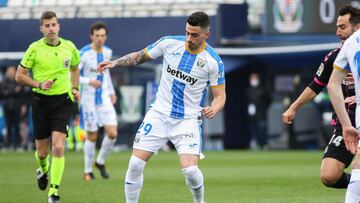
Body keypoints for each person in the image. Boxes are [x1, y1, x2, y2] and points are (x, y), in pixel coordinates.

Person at [97, 11, 226, 203]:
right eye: (187, 32)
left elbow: (220, 96)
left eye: (194, 35)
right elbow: (140, 56)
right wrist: (115, 62)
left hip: (187, 120)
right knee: (134, 165)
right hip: (159, 114)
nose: (189, 38)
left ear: (206, 34)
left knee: (190, 171)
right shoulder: (169, 43)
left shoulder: (213, 62)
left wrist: (215, 108)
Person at [282, 4, 359, 189]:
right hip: (345, 123)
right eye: (337, 26)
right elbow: (316, 85)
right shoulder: (335, 57)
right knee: (329, 176)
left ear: (357, 28)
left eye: (342, 27)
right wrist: (293, 107)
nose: (337, 32)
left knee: (358, 168)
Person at [15, 11, 80, 203]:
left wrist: (75, 88)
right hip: (41, 102)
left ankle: (54, 192)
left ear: (58, 26)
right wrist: (38, 84)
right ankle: (43, 170)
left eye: (54, 25)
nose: (51, 28)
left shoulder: (70, 47)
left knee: (58, 147)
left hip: (63, 102)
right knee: (42, 152)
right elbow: (19, 75)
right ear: (41, 28)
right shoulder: (34, 49)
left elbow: (75, 68)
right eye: (47, 25)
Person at [328, 6, 360, 201]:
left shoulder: (349, 45)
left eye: (342, 26)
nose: (338, 31)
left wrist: (347, 126)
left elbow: (333, 85)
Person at [79, 21, 118, 180]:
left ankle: (100, 161)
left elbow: (106, 74)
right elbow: (71, 74)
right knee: (93, 135)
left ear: (106, 37)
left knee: (112, 133)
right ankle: (87, 171)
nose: (100, 39)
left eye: (102, 36)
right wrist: (89, 81)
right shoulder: (83, 53)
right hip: (88, 100)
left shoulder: (108, 52)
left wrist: (111, 91)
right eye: (97, 36)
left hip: (103, 98)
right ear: (91, 36)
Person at [1, 66, 24, 151]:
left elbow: (21, 93)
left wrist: (9, 92)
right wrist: (13, 91)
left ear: (15, 72)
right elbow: (3, 93)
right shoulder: (3, 82)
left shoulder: (18, 82)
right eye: (9, 71)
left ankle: (18, 144)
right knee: (8, 125)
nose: (10, 72)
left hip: (16, 106)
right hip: (6, 106)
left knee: (17, 125)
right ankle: (8, 144)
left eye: (12, 71)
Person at [246, 73, 271, 150]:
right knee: (253, 129)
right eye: (252, 79)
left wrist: (264, 107)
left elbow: (269, 100)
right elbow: (247, 100)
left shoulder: (263, 89)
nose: (253, 80)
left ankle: (264, 144)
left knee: (262, 129)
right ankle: (254, 143)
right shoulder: (248, 89)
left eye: (255, 78)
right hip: (252, 114)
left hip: (262, 113)